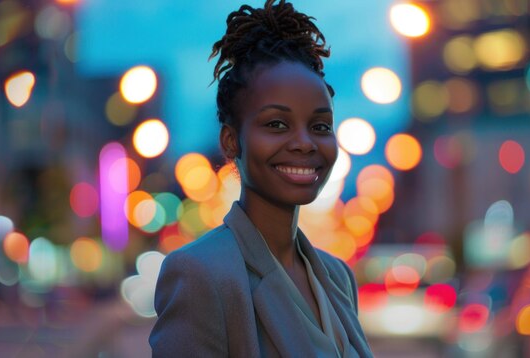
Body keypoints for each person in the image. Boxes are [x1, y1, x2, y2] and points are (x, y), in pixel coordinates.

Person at [149, 1, 373, 357]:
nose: (304, 143)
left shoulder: (338, 277)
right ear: (230, 140)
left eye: (320, 126)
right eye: (276, 124)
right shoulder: (200, 274)